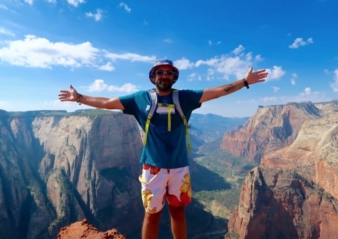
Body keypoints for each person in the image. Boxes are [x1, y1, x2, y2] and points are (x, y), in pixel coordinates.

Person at [58, 59, 268, 239]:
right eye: (160, 72)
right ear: (152, 77)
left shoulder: (185, 97)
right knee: (152, 214)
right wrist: (79, 98)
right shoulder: (139, 99)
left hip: (179, 169)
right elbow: (107, 102)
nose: (165, 75)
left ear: (174, 77)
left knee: (178, 212)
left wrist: (244, 82)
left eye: (169, 72)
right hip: (152, 169)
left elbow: (217, 92)